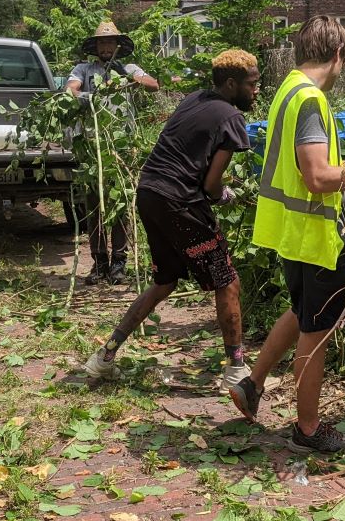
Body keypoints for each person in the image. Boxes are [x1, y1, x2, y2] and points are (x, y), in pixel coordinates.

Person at [228, 16, 345, 454]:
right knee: (318, 331)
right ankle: (308, 429)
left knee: (303, 311)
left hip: (292, 231)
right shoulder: (311, 100)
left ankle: (252, 384)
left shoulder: (287, 89)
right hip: (314, 235)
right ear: (338, 55)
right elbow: (316, 176)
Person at [82, 49, 259, 385]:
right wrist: (224, 195)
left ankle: (103, 357)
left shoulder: (194, 99)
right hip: (180, 201)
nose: (257, 90)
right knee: (227, 280)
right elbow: (210, 185)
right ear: (233, 83)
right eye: (252, 83)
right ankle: (236, 371)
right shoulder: (232, 119)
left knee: (164, 281)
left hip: (149, 192)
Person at [65, 21, 160, 285]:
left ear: (117, 46)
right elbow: (69, 90)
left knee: (119, 206)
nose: (105, 47)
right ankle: (99, 263)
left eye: (110, 43)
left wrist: (128, 77)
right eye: (101, 43)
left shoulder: (128, 68)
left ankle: (119, 263)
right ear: (96, 47)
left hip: (120, 148)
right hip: (93, 148)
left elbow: (153, 85)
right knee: (94, 206)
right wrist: (88, 96)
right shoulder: (84, 69)